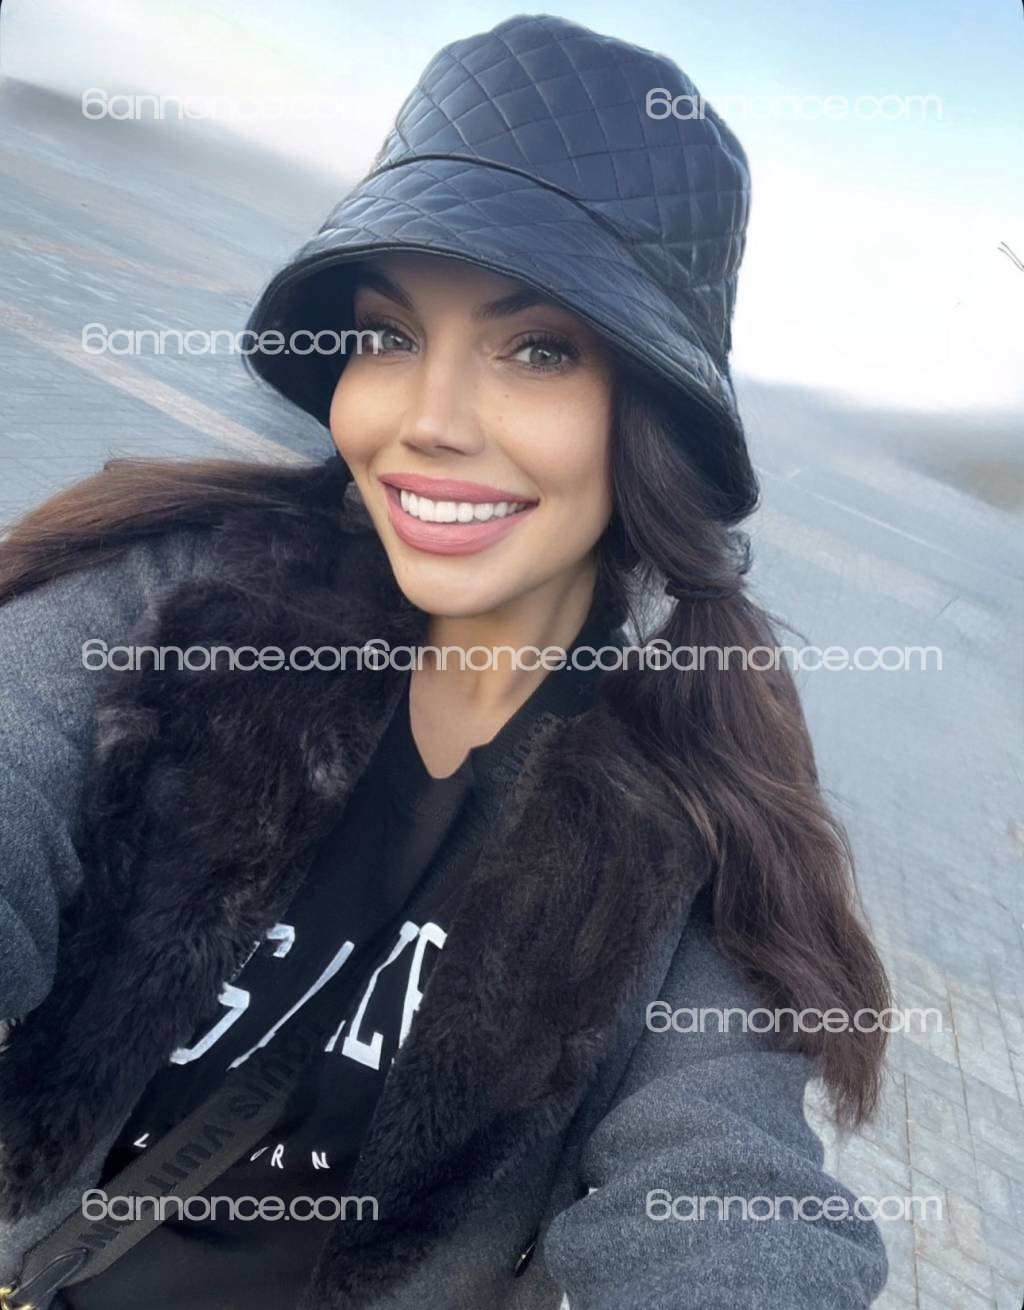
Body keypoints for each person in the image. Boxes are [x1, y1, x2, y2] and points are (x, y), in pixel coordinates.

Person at [0, 14, 891, 1309]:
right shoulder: (175, 598)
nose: (427, 418)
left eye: (538, 348)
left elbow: (722, 1180)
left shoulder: (694, 792)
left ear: (650, 416)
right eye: (389, 333)